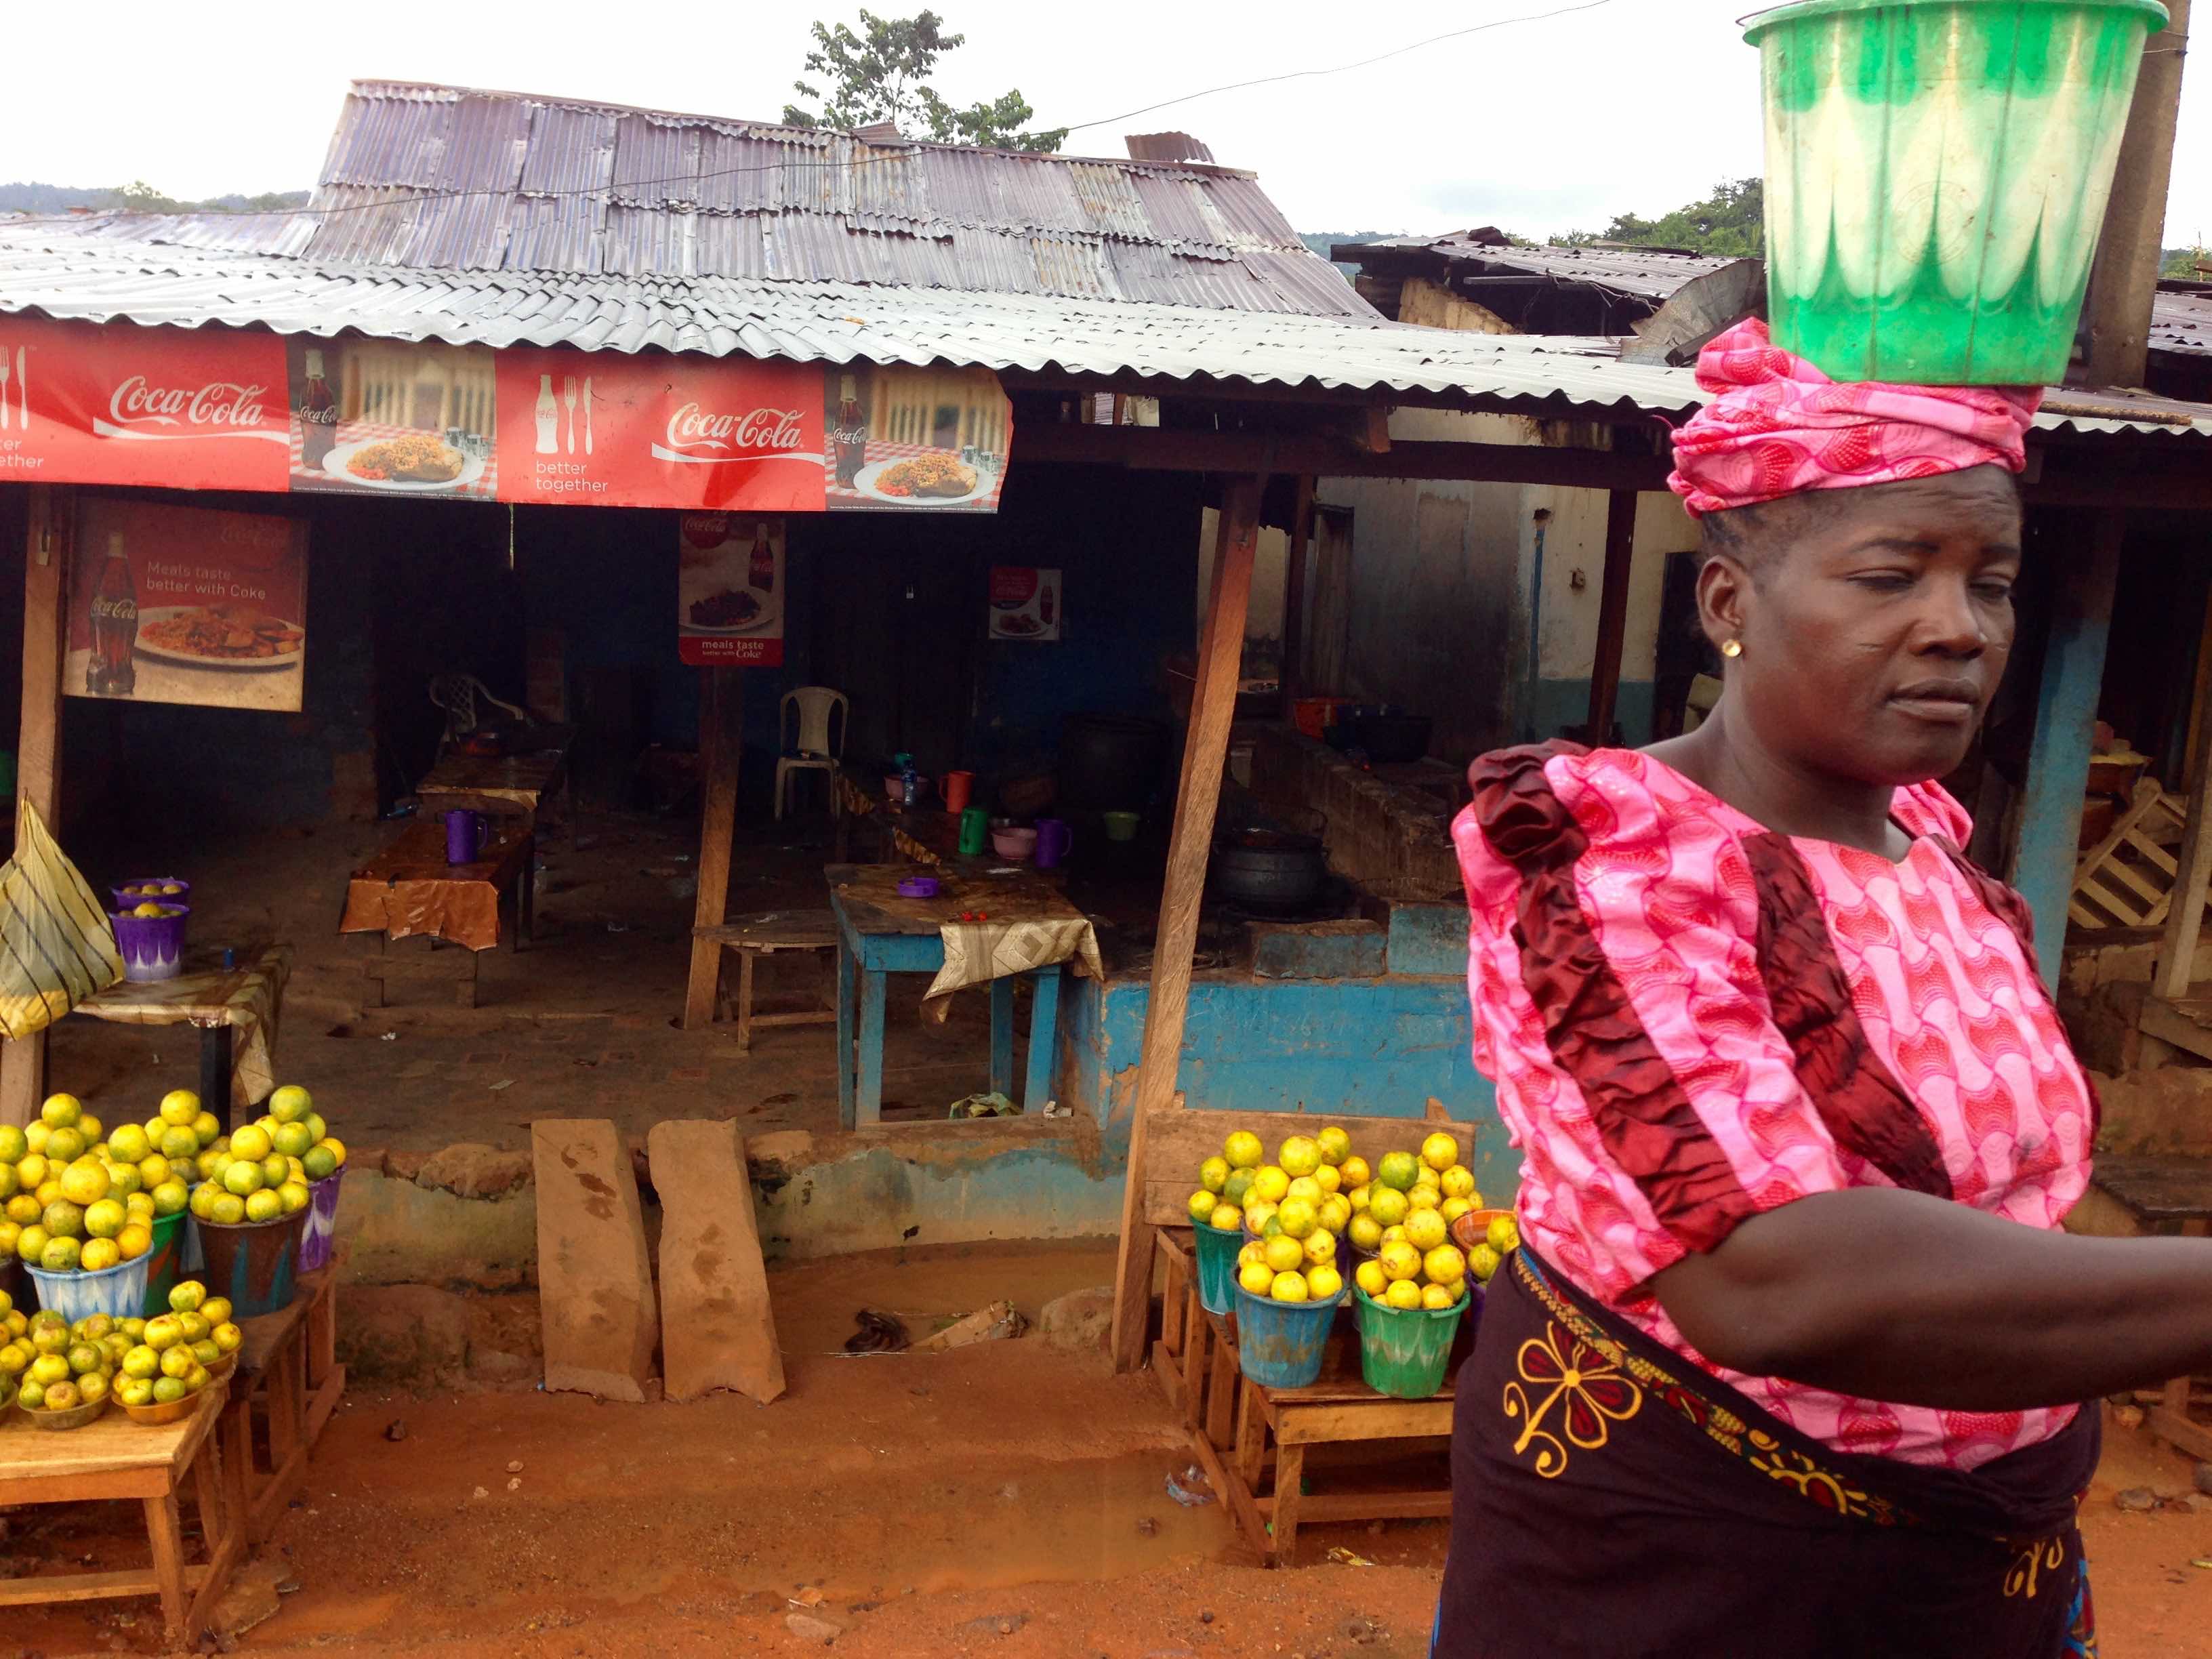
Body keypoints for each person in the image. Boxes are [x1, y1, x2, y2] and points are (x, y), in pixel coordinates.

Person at [1433, 321, 2208, 1658]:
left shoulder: (1938, 859)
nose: (1959, 630)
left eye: (1995, 581)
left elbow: (2000, 1204)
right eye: (1892, 575)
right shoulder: (1624, 874)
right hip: (1698, 1575)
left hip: (1975, 1574)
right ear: (1730, 604)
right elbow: (1772, 1278)